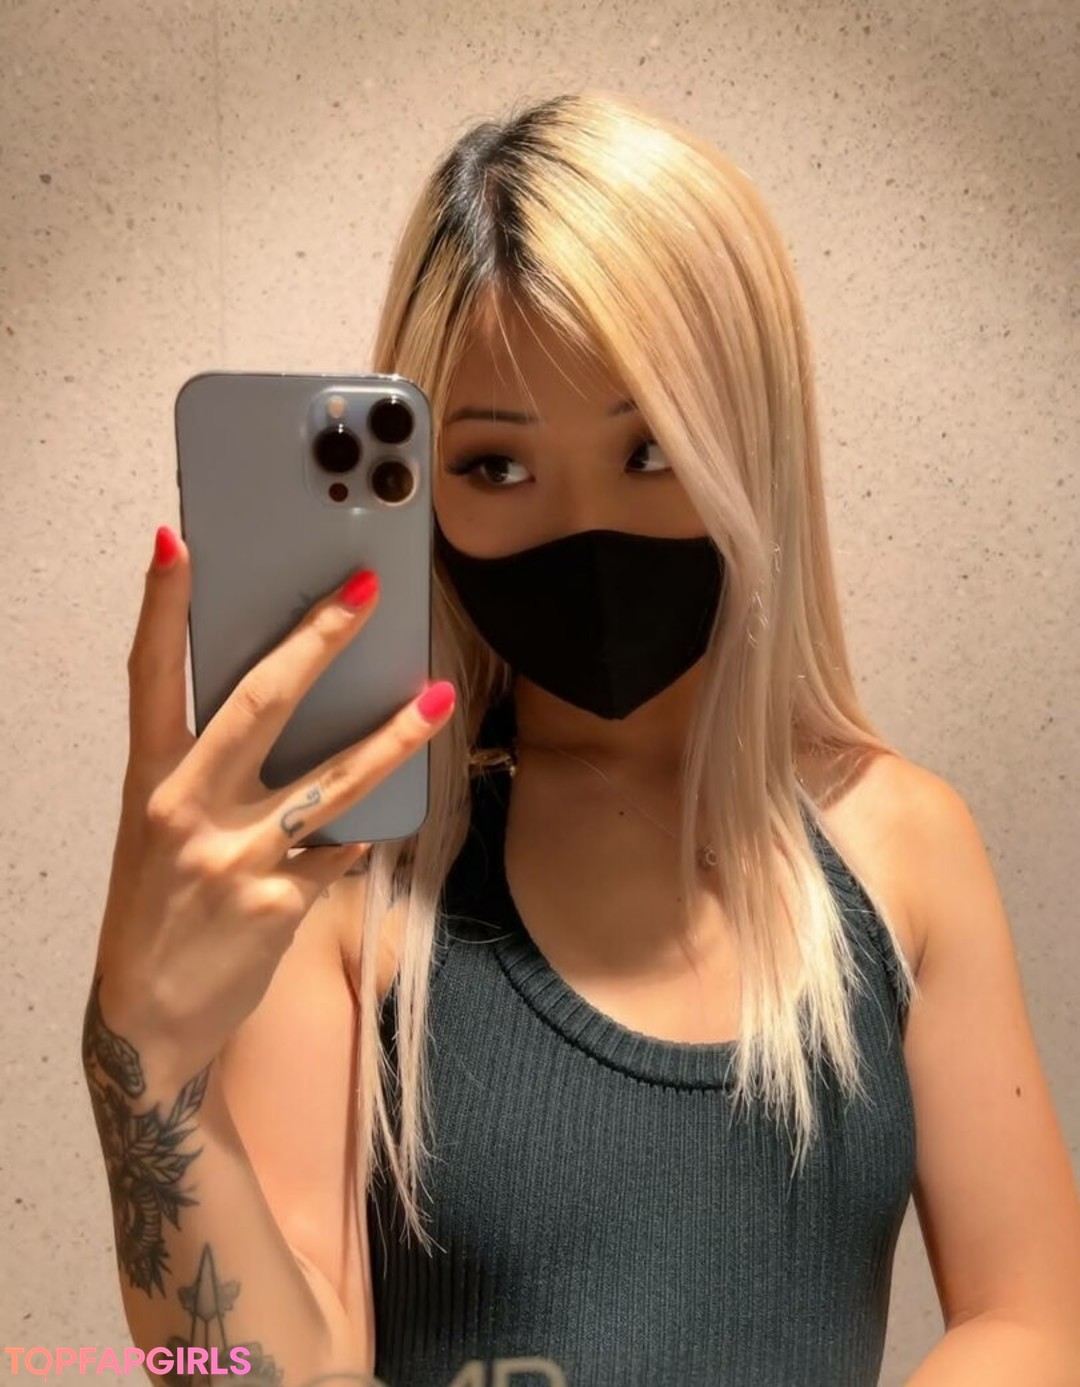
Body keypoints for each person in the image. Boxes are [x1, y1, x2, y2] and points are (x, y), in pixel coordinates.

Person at [83, 91, 1080, 1387]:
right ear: (423, 487)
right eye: (496, 467)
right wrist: (141, 1068)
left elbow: (1030, 1319)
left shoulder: (901, 848)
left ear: (752, 442)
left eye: (652, 448)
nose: (584, 527)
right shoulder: (352, 879)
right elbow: (286, 1373)